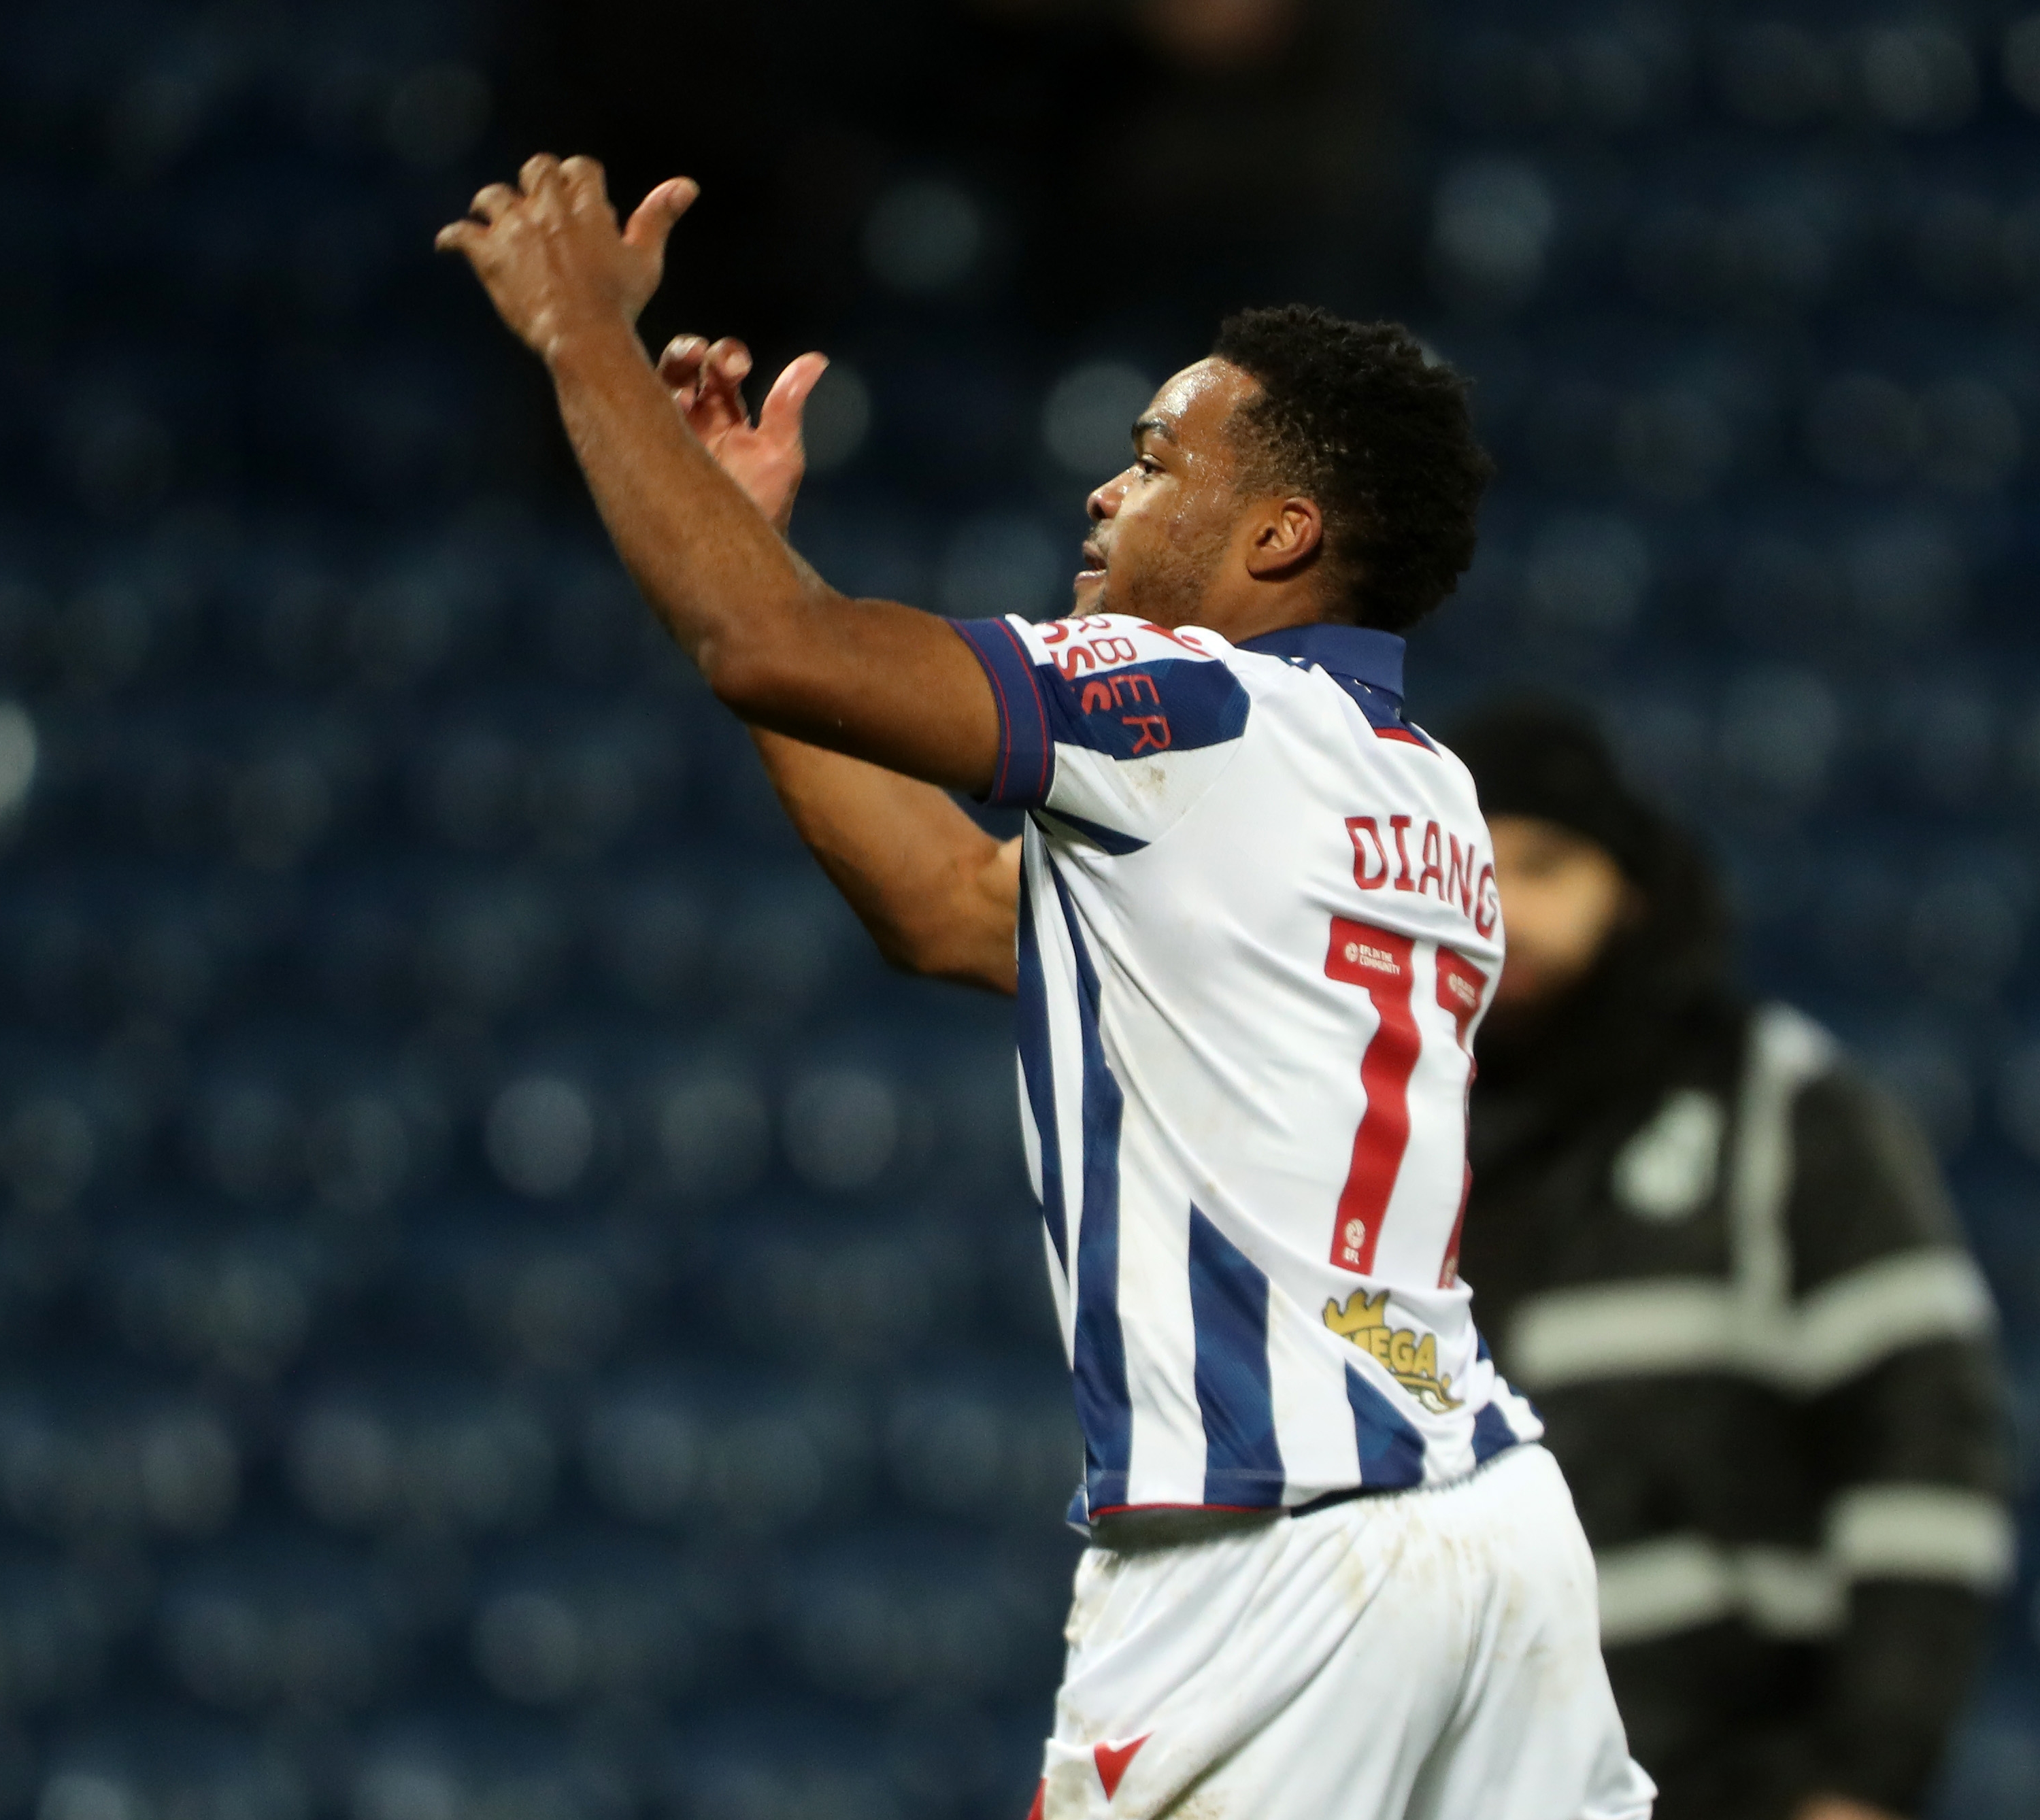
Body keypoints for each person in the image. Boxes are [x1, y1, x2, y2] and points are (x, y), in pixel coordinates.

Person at [437, 156, 1653, 1820]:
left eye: (1158, 461)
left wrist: (583, 343)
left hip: (1268, 1561)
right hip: (1490, 1532)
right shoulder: (1421, 789)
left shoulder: (1188, 710)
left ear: (1280, 533)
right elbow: (948, 904)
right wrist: (736, 536)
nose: (1106, 492)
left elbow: (773, 647)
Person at [1449, 701, 2011, 1820]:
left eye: (1547, 865)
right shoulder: (1385, 1137)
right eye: (1474, 869)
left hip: (1744, 1781)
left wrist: (1866, 1773)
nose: (1504, 910)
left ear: (1635, 892)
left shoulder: (1782, 1109)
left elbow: (1926, 1447)